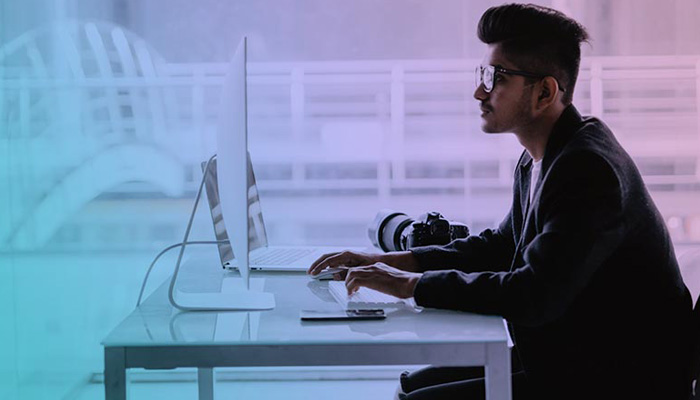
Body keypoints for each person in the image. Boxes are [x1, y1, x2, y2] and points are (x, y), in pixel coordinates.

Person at [308, 3, 695, 400]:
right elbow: (501, 247)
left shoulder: (587, 169)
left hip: (623, 376)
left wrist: (411, 286)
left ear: (544, 92)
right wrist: (383, 263)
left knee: (416, 399)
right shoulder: (541, 155)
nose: (479, 91)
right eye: (482, 74)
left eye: (496, 77)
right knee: (412, 384)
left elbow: (532, 295)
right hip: (573, 352)